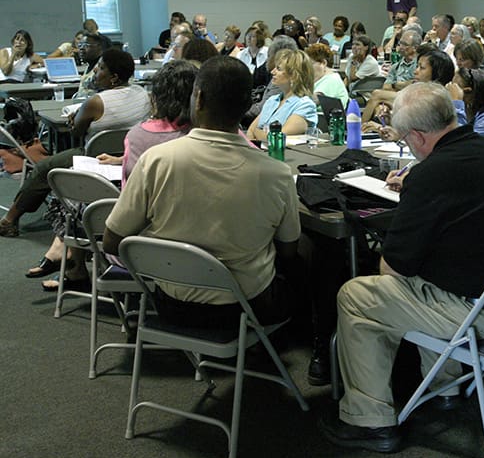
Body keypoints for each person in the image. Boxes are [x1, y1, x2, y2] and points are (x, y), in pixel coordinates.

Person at [318, 82, 484, 453]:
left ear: (419, 137)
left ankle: (369, 420)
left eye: (406, 140)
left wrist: (417, 195)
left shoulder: (431, 175)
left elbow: (394, 268)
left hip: (481, 316)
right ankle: (445, 387)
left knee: (358, 295)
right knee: (435, 274)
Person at [102, 56, 300, 329]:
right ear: (247, 106)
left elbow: (113, 242)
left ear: (199, 99)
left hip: (171, 305)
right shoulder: (277, 174)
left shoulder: (156, 160)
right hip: (245, 309)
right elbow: (289, 251)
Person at [33, 60, 197, 286]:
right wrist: (122, 160)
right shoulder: (206, 134)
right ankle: (67, 257)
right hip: (196, 241)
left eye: (101, 67)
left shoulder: (139, 135)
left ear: (157, 97)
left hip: (140, 244)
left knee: (75, 195)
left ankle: (68, 256)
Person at [0, 49, 151, 237]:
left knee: (44, 168)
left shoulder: (96, 102)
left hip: (93, 156)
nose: (95, 71)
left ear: (114, 77)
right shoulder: (143, 94)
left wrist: (77, 117)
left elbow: (76, 132)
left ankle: (9, 220)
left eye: (101, 68)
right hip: (127, 155)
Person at [246, 49, 318, 139]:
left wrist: (256, 131)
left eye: (278, 69)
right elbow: (250, 131)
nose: (272, 72)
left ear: (294, 76)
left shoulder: (305, 105)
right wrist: (258, 133)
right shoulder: (272, 100)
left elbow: (276, 138)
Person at [361, 30, 422, 123]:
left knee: (376, 94)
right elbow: (386, 87)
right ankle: (378, 130)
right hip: (397, 96)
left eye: (404, 44)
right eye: (400, 43)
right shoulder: (395, 67)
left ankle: (360, 128)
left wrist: (395, 85)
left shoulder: (419, 65)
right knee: (380, 107)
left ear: (415, 48)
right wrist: (400, 85)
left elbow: (416, 85)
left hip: (414, 97)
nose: (400, 47)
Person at [305, 43, 349, 107]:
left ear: (323, 63)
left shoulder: (332, 79)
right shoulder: (322, 79)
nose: (307, 67)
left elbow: (313, 101)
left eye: (310, 64)